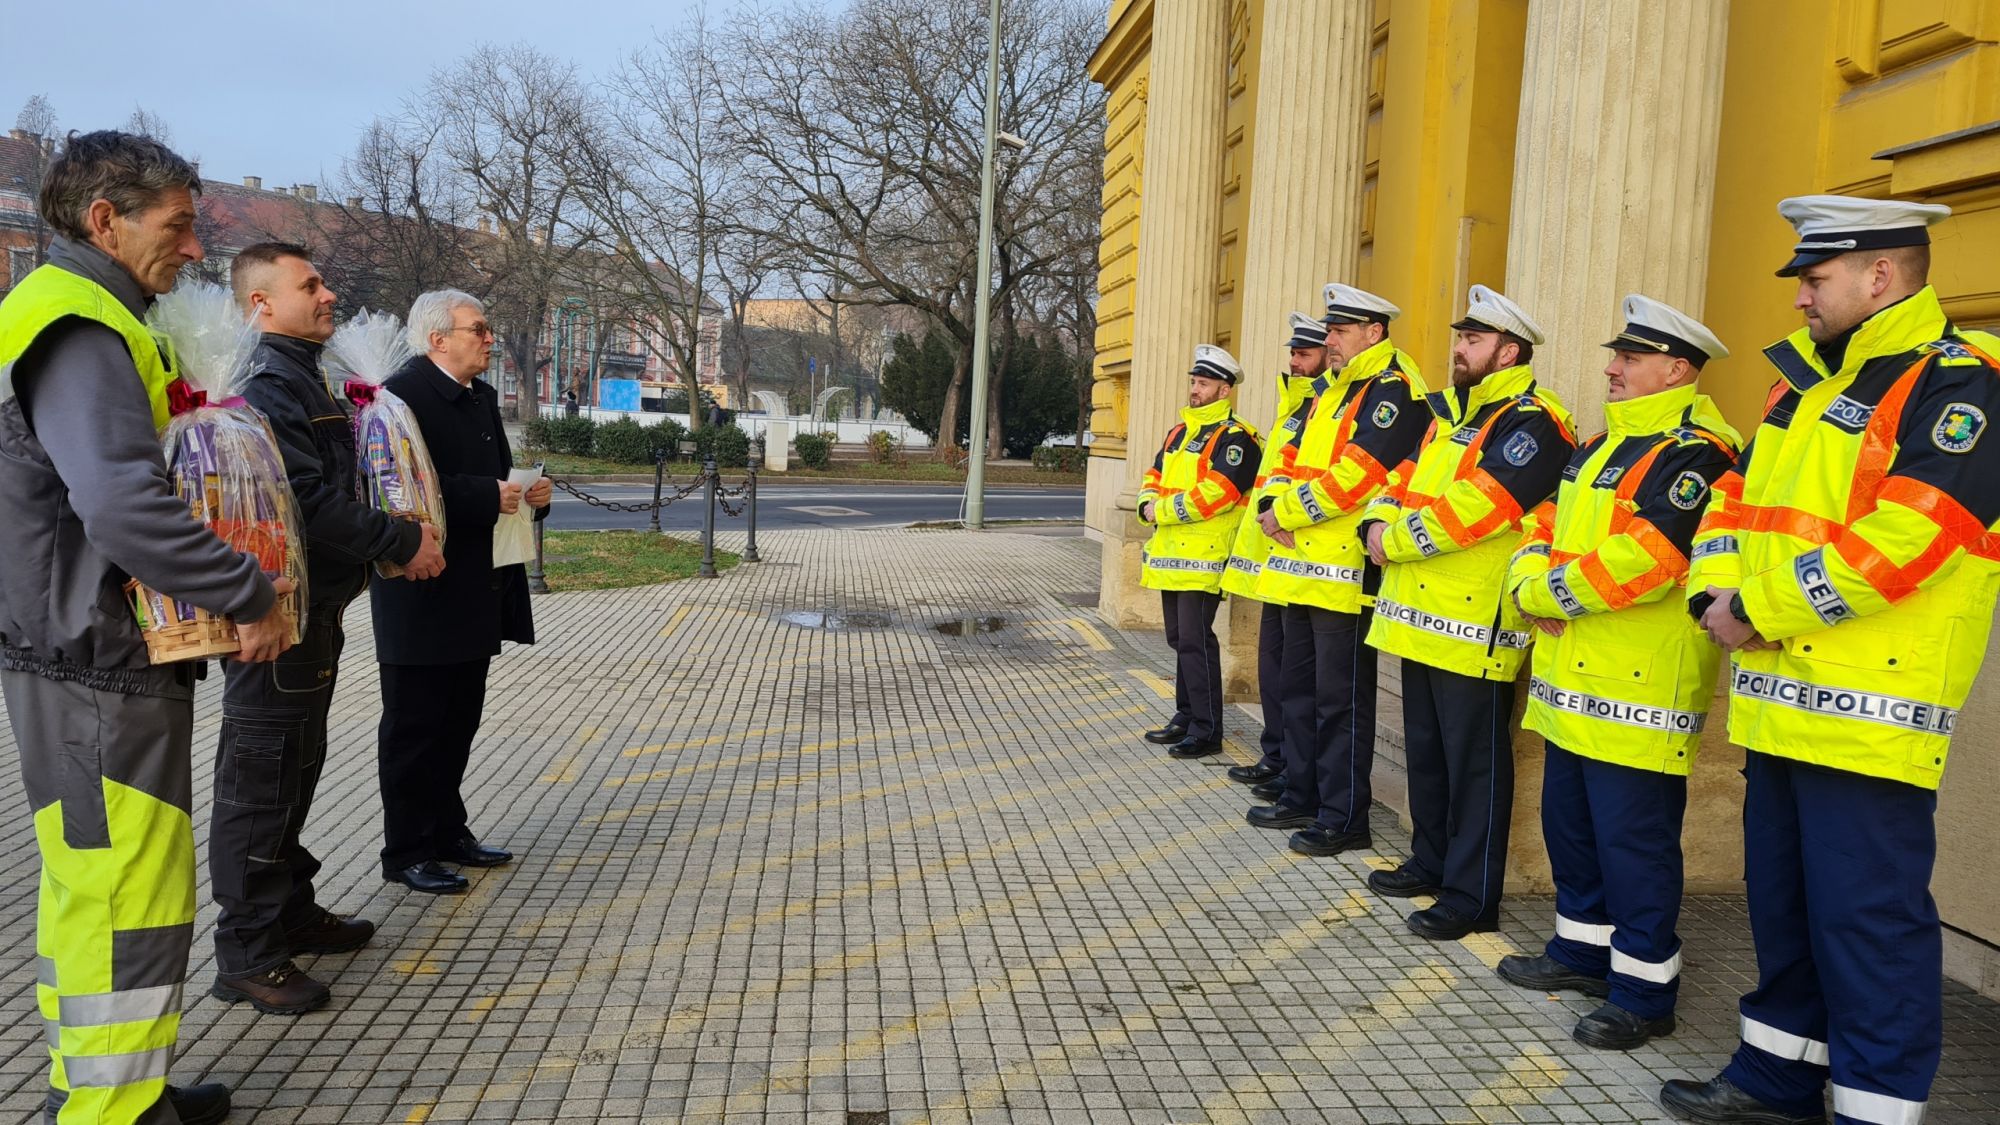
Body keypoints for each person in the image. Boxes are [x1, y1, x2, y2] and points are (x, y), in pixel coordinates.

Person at [1660, 197, 2000, 1125]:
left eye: (1816, 278)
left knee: (1868, 923)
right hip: (1781, 699)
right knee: (1786, 906)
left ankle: (1876, 1108)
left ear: (1879, 275)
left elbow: (1911, 539)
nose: (1802, 296)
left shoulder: (1961, 384)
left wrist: (1757, 609)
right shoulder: (1799, 383)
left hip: (1869, 711)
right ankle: (1775, 1078)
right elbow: (1731, 505)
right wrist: (1711, 597)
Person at [0, 130, 294, 1125]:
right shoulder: (79, 323)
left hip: (84, 656)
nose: (193, 246)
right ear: (104, 221)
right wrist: (247, 591)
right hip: (94, 664)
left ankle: (119, 1091)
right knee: (121, 897)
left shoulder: (86, 311)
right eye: (176, 226)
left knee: (105, 891)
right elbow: (123, 505)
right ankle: (108, 1115)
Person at [204, 243, 447, 1017]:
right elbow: (305, 499)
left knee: (298, 766)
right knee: (262, 775)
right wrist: (401, 540)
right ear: (261, 304)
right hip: (277, 613)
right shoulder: (267, 381)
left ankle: (289, 909)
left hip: (314, 609)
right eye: (309, 285)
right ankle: (248, 949)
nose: (329, 293)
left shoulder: (301, 372)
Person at [1496, 295, 1741, 1052]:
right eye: (1617, 356)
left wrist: (1538, 591)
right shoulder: (1601, 444)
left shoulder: (1697, 451)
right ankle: (1580, 953)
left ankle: (1643, 991)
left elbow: (1648, 561)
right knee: (1572, 830)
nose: (1612, 367)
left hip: (1640, 687)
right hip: (1574, 680)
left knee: (1634, 845)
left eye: (1628, 359)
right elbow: (1541, 522)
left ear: (1675, 367)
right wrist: (1529, 575)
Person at [1355, 284, 1574, 940]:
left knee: (1474, 767)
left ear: (1509, 349)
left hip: (1476, 625)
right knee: (1427, 753)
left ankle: (1470, 894)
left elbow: (1479, 509)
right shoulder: (1449, 414)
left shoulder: (1534, 420)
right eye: (1461, 337)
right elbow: (1401, 479)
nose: (1458, 348)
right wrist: (1377, 514)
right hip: (1421, 618)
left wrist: (1389, 540)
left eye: (1473, 340)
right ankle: (1430, 859)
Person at [371, 289, 551, 894]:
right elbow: (390, 485)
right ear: (437, 338)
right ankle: (406, 850)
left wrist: (528, 496)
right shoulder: (399, 396)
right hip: (420, 589)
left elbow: (493, 479)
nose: (489, 338)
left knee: (459, 722)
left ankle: (450, 832)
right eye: (479, 329)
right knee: (415, 727)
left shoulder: (478, 398)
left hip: (476, 584)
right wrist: (484, 495)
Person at [1246, 285, 1428, 858]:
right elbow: (1286, 455)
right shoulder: (1328, 389)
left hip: (1345, 574)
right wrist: (1270, 505)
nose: (1330, 340)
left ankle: (1344, 814)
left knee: (1340, 701)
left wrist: (1286, 513)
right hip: (1299, 565)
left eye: (1341, 331)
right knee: (1297, 691)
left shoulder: (1392, 390)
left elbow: (1361, 474)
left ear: (1375, 332)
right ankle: (1300, 792)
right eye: (1329, 331)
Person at [1204, 312, 1324, 785]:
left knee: (1297, 680)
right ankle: (1277, 756)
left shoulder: (1322, 408)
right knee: (1274, 671)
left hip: (1306, 561)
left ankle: (1292, 766)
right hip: (1274, 561)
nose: (1295, 362)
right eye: (1292, 353)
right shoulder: (1295, 406)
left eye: (1304, 353)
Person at [1136, 344, 1261, 759]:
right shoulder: (1179, 432)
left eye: (1203, 384)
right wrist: (1145, 503)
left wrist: (1161, 510)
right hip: (1173, 554)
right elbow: (1154, 474)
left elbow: (1220, 493)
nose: (1195, 390)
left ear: (1224, 391)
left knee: (1195, 640)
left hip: (1204, 556)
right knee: (1178, 638)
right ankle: (1186, 716)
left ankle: (1207, 730)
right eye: (1193, 381)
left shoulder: (1236, 438)